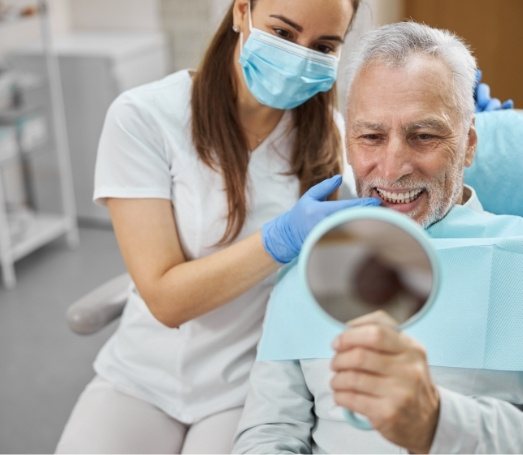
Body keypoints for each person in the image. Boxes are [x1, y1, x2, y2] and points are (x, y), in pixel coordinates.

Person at [54, 0, 382, 453]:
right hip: (140, 377)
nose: (300, 56)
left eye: (323, 46)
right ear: (241, 12)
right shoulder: (145, 117)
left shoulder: (332, 138)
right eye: (284, 34)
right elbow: (166, 301)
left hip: (247, 385)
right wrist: (280, 238)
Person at [233, 21, 523, 453]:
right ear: (348, 142)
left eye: (423, 136)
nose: (392, 169)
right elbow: (270, 430)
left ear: (468, 145)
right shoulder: (309, 262)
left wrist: (437, 422)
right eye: (371, 137)